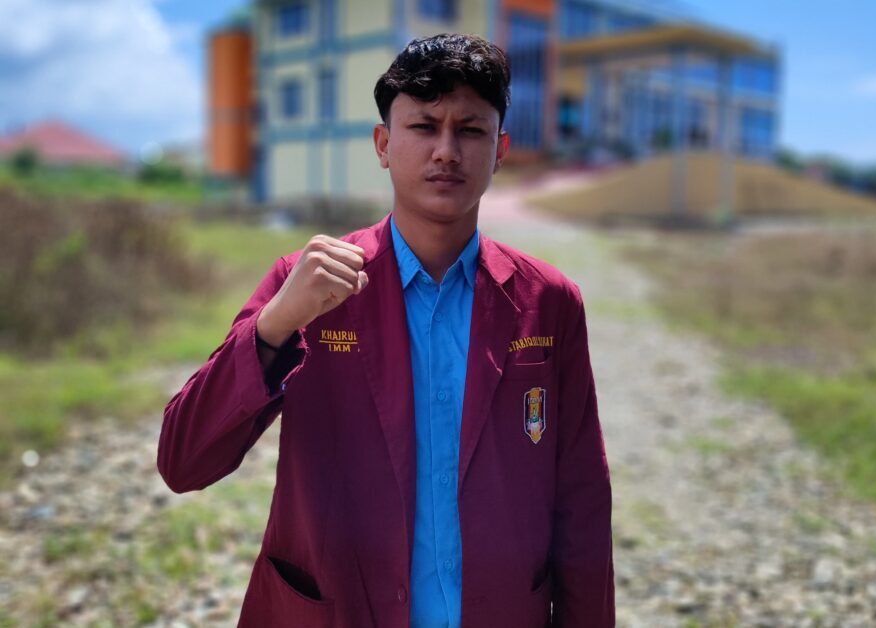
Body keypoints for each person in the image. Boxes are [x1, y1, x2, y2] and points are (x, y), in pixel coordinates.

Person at [158, 33, 614, 628]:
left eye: (470, 130)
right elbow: (184, 461)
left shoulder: (548, 301)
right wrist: (275, 327)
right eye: (423, 126)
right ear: (383, 144)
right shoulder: (308, 286)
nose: (446, 151)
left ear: (500, 149)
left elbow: (582, 495)